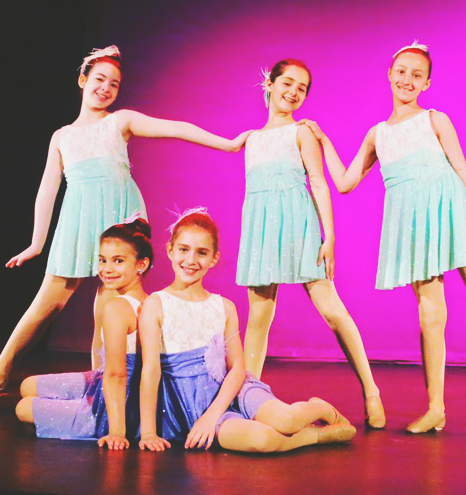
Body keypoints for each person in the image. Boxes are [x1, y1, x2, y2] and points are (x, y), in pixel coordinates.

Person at [1, 45, 250, 388]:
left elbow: (176, 128)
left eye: (114, 84)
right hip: (78, 219)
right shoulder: (62, 136)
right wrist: (36, 243)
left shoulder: (120, 121)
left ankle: (103, 381)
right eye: (99, 79)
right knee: (49, 300)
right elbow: (48, 189)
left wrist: (228, 144)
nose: (105, 88)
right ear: (83, 80)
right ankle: (3, 363)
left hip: (118, 215)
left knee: (110, 303)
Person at [302, 41, 466, 433]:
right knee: (430, 313)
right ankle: (436, 408)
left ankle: (436, 408)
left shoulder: (435, 120)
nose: (408, 79)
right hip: (414, 224)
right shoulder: (377, 134)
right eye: (402, 71)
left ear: (427, 83)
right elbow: (344, 183)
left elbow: (464, 170)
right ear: (390, 74)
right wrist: (324, 142)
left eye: (417, 75)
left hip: (452, 210)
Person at [237, 59, 385, 428]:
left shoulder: (301, 132)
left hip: (299, 226)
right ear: (269, 84)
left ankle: (371, 390)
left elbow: (318, 182)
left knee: (333, 311)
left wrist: (329, 237)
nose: (293, 92)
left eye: (301, 88)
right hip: (261, 231)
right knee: (258, 318)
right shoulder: (251, 139)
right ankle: (249, 399)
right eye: (287, 83)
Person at [138, 209, 356, 453]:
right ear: (170, 250)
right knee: (262, 440)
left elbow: (237, 368)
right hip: (190, 403)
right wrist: (148, 432)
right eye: (184, 249)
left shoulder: (224, 307)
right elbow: (151, 370)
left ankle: (320, 407)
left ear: (214, 258)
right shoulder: (156, 304)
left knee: (287, 420)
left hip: (235, 390)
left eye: (202, 253)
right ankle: (315, 435)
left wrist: (212, 416)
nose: (191, 260)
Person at [15, 218, 153, 448]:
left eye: (118, 261)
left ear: (142, 264)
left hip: (117, 401)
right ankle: (81, 399)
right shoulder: (145, 300)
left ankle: (84, 410)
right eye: (103, 260)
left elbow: (117, 375)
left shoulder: (118, 307)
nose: (107, 269)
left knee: (23, 408)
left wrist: (117, 431)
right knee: (28, 385)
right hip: (105, 382)